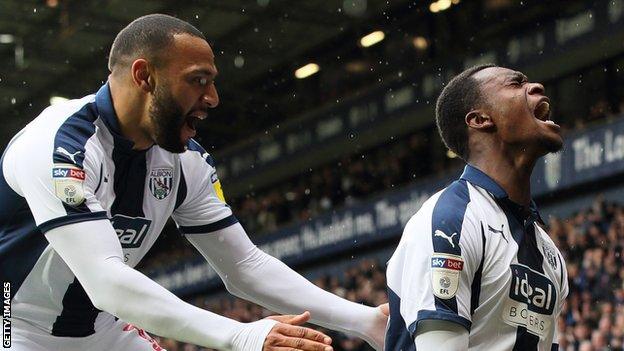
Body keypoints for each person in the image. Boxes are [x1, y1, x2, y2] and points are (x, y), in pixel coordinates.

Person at [0, 14, 388, 351]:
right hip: (13, 325)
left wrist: (366, 321)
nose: (214, 98)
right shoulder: (60, 145)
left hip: (101, 328)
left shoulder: (188, 162)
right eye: (198, 81)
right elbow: (105, 281)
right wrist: (240, 336)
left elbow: (243, 265)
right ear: (143, 76)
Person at [385, 64, 569, 350]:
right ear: (480, 119)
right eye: (515, 83)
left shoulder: (549, 252)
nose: (536, 87)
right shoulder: (450, 221)